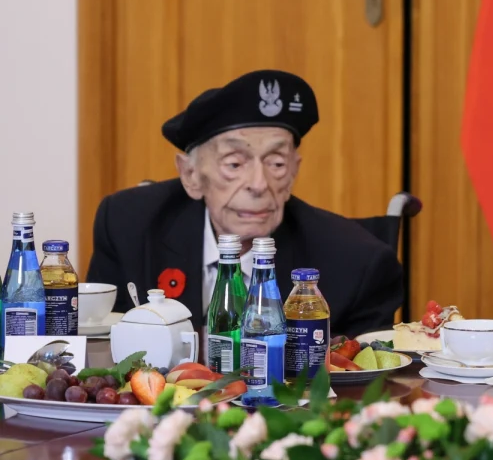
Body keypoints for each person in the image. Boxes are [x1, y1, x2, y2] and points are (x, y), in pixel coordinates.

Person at [87, 69, 403, 338]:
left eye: (276, 164)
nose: (259, 184)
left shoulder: (355, 264)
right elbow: (96, 347)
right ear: (191, 175)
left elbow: (361, 394)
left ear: (293, 172)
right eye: (235, 164)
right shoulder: (128, 226)